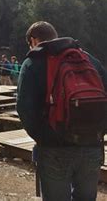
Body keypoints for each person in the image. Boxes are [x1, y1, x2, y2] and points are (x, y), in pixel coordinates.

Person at [17, 21, 107, 200]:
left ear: (34, 40)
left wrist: (44, 138)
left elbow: (24, 108)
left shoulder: (33, 62)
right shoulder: (88, 59)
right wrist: (99, 132)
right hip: (92, 146)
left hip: (54, 148)